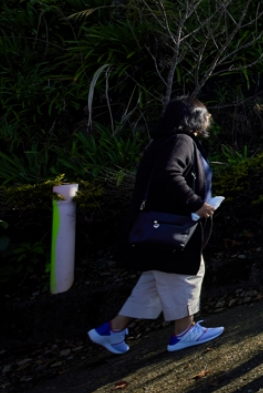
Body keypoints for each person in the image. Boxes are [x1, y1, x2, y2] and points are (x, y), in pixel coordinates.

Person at [88, 98, 224, 355]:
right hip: (173, 227)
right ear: (193, 118)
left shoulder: (164, 142)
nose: (209, 120)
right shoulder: (181, 141)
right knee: (187, 273)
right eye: (205, 115)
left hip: (160, 225)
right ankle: (184, 331)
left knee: (154, 281)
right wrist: (196, 204)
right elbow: (169, 174)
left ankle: (114, 330)